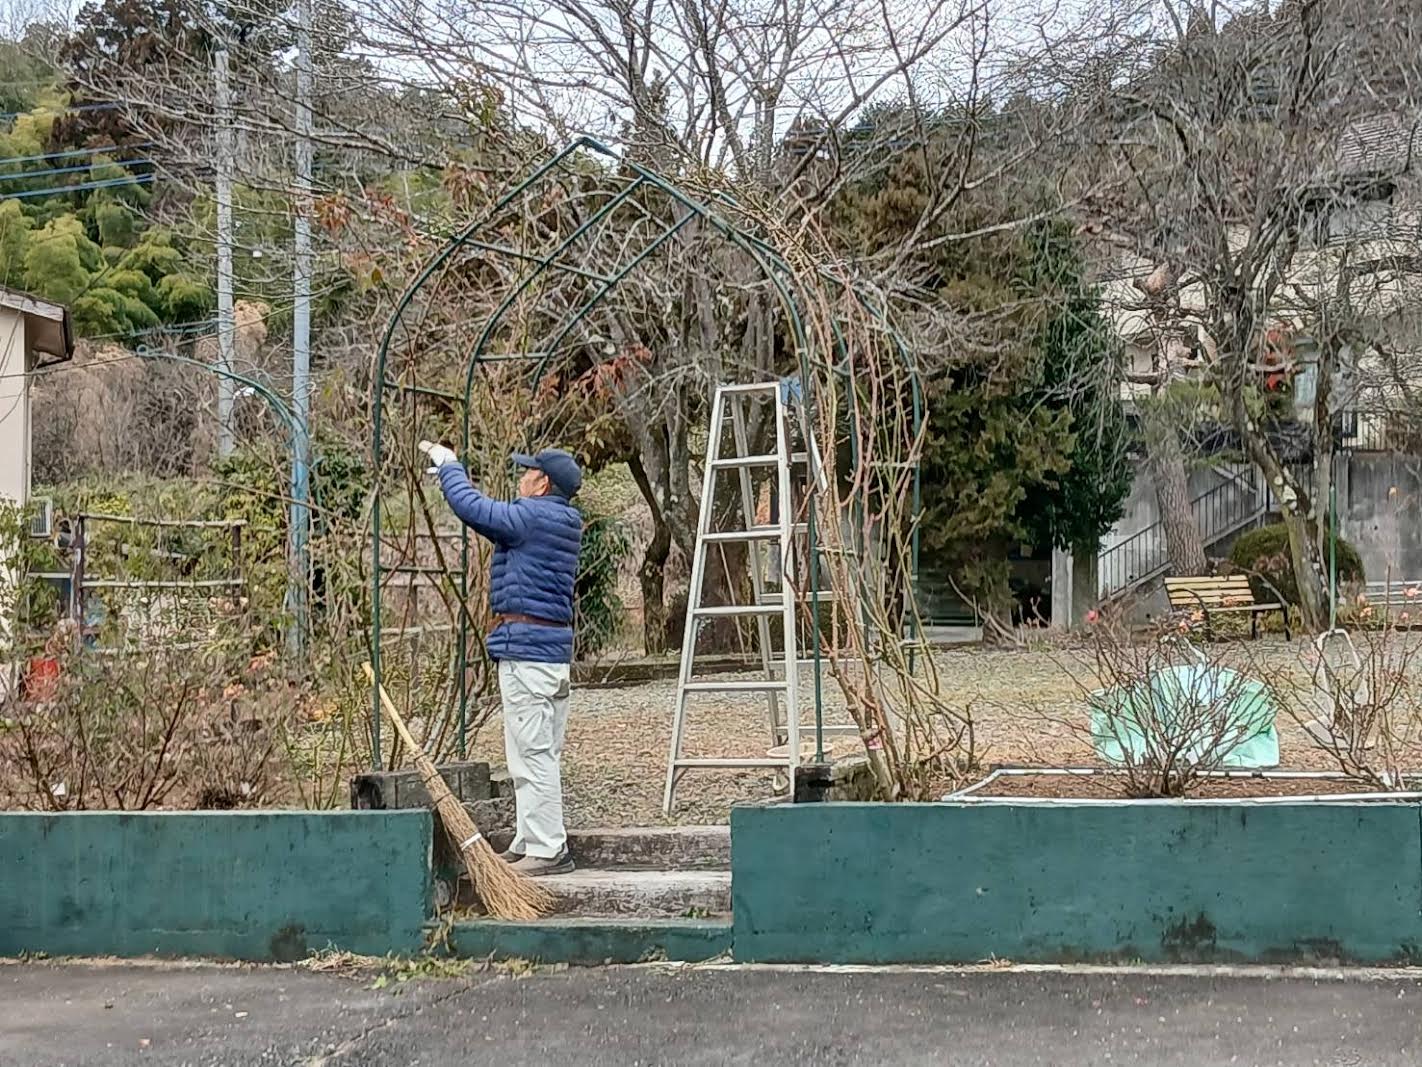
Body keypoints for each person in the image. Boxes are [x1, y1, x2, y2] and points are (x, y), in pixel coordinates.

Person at [420, 440, 584, 877]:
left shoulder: (535, 517)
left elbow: (475, 509)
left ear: (542, 483)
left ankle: (548, 848)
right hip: (545, 652)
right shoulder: (560, 519)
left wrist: (450, 467)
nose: (520, 477)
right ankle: (530, 839)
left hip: (529, 653)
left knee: (532, 755)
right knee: (531, 753)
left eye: (527, 472)